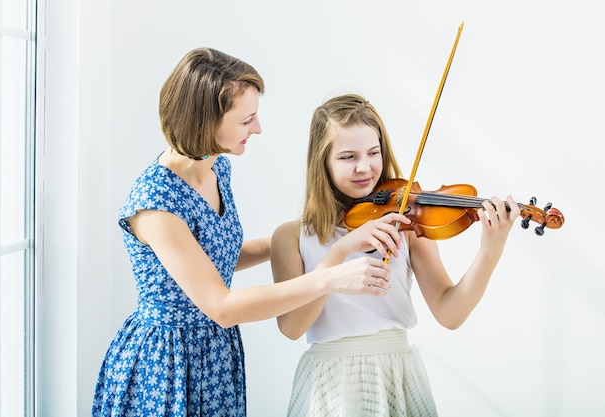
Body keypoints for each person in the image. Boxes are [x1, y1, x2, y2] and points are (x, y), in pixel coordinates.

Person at [91, 50, 395, 417]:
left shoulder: (215, 168)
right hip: (168, 363)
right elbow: (220, 306)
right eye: (247, 119)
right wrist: (328, 277)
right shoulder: (156, 204)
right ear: (205, 122)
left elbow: (211, 258)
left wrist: (290, 239)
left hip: (215, 354)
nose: (258, 128)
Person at [271, 93, 521, 417]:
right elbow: (291, 328)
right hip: (330, 381)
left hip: (397, 373)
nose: (365, 167)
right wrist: (340, 250)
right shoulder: (290, 236)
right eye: (348, 156)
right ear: (323, 162)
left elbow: (450, 314)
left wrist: (491, 249)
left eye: (374, 152)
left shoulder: (405, 223)